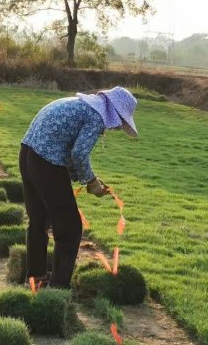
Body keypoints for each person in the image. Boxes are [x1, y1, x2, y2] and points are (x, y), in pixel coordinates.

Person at [19, 86, 138, 289]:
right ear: (114, 112)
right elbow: (79, 154)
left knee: (39, 220)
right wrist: (92, 182)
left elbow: (69, 149)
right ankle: (58, 287)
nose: (117, 127)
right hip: (47, 162)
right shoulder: (96, 116)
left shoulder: (79, 105)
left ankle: (36, 277)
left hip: (28, 154)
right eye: (120, 121)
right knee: (70, 228)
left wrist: (86, 178)